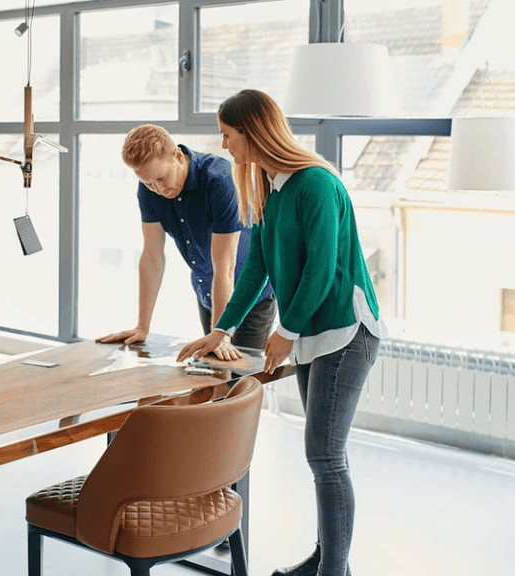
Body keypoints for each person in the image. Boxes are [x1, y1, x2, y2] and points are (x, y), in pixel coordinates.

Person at [177, 89, 386, 576]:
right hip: (314, 332)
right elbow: (259, 269)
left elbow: (321, 268)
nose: (225, 146)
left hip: (344, 331)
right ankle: (325, 558)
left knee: (326, 456)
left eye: (229, 136)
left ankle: (334, 569)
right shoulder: (274, 189)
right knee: (321, 457)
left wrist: (285, 331)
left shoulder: (315, 183)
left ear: (253, 132)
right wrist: (222, 328)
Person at [97, 124, 276, 358]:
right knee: (214, 378)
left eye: (161, 178)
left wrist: (220, 333)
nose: (157, 189)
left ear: (178, 156)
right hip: (208, 293)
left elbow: (226, 267)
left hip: (250, 297)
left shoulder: (219, 180)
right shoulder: (149, 190)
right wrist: (142, 326)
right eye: (148, 182)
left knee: (242, 382)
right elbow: (152, 257)